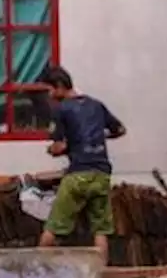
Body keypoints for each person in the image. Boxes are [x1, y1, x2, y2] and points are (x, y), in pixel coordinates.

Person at [38, 65, 125, 262]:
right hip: (101, 173)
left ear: (60, 86)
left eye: (49, 90)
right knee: (101, 231)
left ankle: (39, 271)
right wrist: (100, 138)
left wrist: (54, 149)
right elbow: (119, 129)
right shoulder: (96, 105)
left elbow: (58, 146)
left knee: (52, 228)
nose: (49, 96)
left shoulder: (61, 109)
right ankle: (100, 275)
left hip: (78, 175)